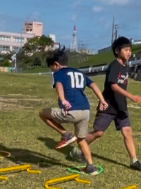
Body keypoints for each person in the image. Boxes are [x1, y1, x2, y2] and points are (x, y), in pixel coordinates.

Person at [38, 45, 107, 176]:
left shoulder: (58, 73)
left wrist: (63, 100)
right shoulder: (79, 72)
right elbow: (93, 85)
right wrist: (102, 100)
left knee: (42, 113)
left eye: (51, 67)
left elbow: (59, 85)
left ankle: (65, 134)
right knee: (81, 139)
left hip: (72, 111)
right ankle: (90, 167)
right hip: (85, 111)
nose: (52, 70)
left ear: (56, 64)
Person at [84, 36, 141, 171]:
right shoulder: (115, 65)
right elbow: (113, 86)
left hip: (121, 106)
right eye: (126, 50)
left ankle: (134, 161)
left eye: (130, 50)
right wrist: (130, 96)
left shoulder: (125, 67)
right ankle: (81, 146)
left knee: (127, 131)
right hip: (109, 105)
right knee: (99, 132)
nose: (129, 53)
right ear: (117, 51)